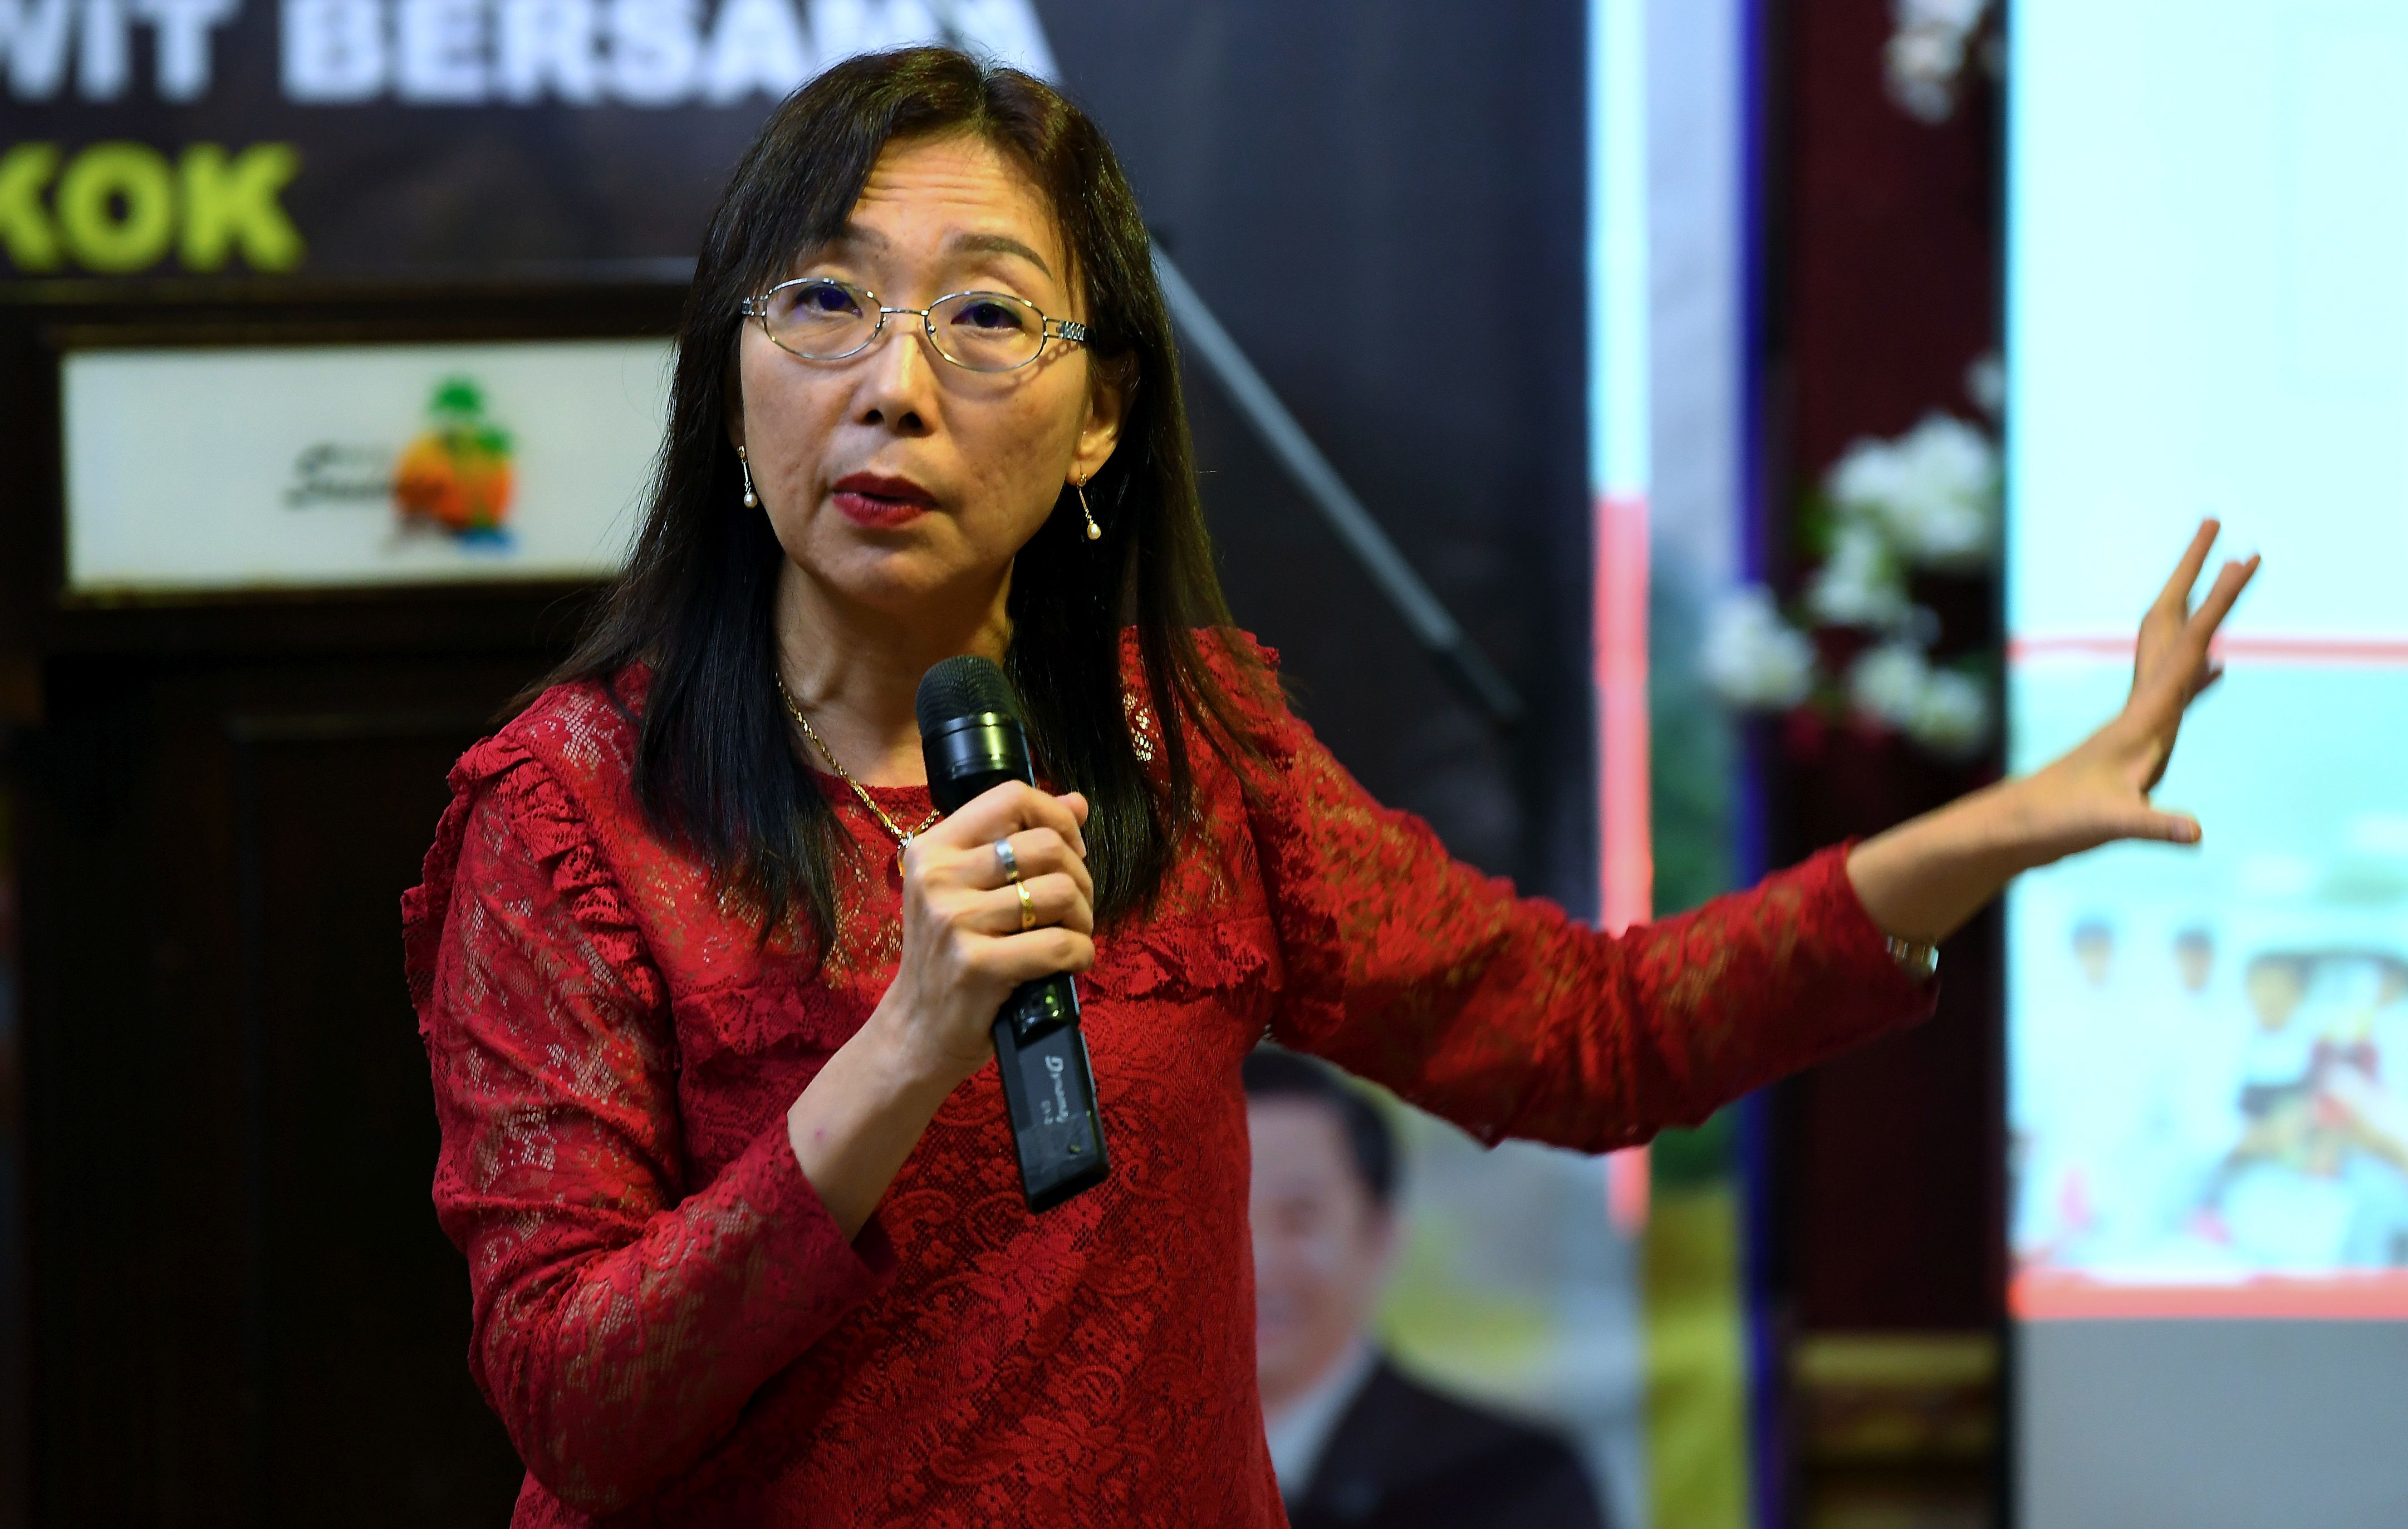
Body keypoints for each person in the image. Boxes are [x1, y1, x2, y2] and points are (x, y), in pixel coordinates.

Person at [400, 47, 2258, 1526]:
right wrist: (902, 1045)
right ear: (732, 376)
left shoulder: (1189, 750)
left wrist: (1979, 837)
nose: (892, 383)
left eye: (982, 317)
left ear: (1099, 415)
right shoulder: (572, 814)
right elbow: (577, 1401)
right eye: (824, 300)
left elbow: (1583, 1035)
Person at [1245, 1049, 1605, 1529]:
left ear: (1379, 1236)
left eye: (1298, 1217)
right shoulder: (1148, 1474)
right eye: (1219, 1213)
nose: (1256, 1261)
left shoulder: (1512, 1482)